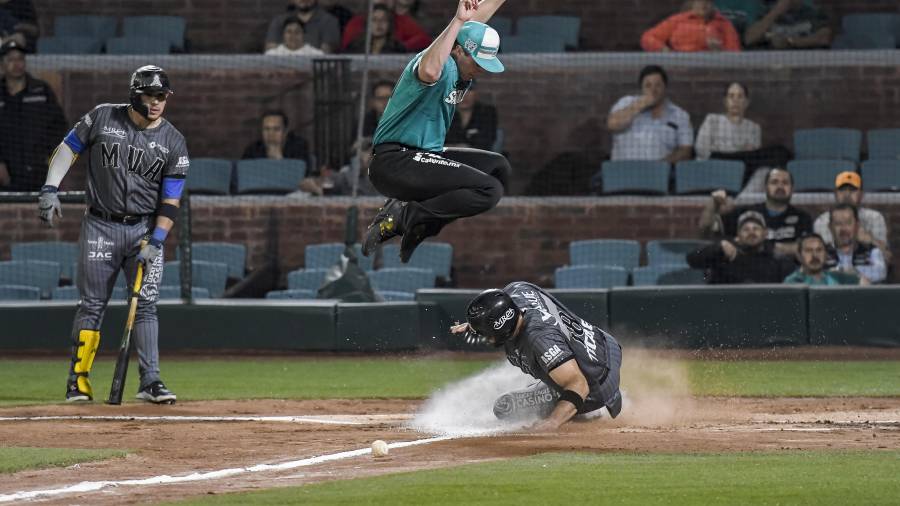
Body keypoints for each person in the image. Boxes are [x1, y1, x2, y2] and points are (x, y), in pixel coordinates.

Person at [38, 65, 188, 404]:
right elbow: (68, 148)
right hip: (100, 226)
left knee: (146, 305)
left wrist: (157, 241)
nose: (156, 103)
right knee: (92, 304)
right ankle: (78, 380)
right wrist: (50, 187)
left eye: (162, 96)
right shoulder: (102, 117)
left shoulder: (174, 141)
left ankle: (150, 381)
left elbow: (171, 200)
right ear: (135, 94)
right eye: (150, 95)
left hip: (145, 230)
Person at [361, 0, 512, 263]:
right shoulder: (437, 65)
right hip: (394, 162)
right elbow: (430, 70)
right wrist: (456, 21)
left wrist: (466, 20)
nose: (479, 69)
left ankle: (420, 226)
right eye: (476, 61)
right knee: (489, 190)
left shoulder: (461, 56)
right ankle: (405, 216)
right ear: (458, 50)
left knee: (498, 167)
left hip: (424, 156)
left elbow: (475, 23)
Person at [449, 282, 624, 430]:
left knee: (505, 407)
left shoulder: (539, 339)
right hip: (605, 344)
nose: (485, 338)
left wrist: (552, 422)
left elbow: (579, 384)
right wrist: (476, 325)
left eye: (486, 332)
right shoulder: (517, 292)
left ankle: (592, 410)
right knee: (556, 369)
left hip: (596, 385)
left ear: (501, 325)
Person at [0, 39, 67, 191]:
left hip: (38, 171)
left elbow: (58, 125)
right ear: (2, 64)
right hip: (6, 175)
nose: (17, 64)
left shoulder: (41, 91)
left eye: (20, 59)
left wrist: (50, 156)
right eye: (11, 59)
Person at [699, 167, 812, 257]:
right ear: (765, 187)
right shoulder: (746, 213)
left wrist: (756, 245)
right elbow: (705, 231)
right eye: (774, 182)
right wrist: (713, 203)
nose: (780, 186)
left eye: (785, 183)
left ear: (792, 189)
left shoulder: (803, 217)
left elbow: (805, 248)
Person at [607, 65, 693, 162]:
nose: (653, 90)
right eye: (648, 85)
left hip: (661, 173)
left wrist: (661, 165)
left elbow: (686, 151)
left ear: (665, 88)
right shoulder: (626, 102)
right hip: (623, 171)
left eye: (658, 85)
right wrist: (640, 104)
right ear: (641, 89)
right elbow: (612, 124)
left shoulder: (680, 115)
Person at [687, 210, 795, 283]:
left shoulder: (778, 260)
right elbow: (692, 260)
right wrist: (717, 248)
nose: (751, 232)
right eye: (746, 229)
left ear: (765, 233)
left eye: (756, 228)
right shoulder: (723, 254)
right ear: (738, 235)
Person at [813, 171, 889, 261]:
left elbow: (887, 257)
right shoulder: (822, 221)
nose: (847, 195)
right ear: (835, 194)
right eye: (842, 190)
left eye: (852, 190)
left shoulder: (874, 217)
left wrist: (869, 239)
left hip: (866, 269)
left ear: (861, 194)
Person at [641, 0, 741, 52]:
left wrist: (720, 52)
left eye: (707, 1)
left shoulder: (724, 24)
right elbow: (647, 38)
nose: (703, 5)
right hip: (680, 67)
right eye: (699, 1)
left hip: (713, 71)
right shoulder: (678, 20)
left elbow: (736, 55)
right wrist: (664, 50)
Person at [694, 82, 760, 160]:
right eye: (731, 96)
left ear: (746, 102)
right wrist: (739, 150)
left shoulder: (753, 128)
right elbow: (701, 149)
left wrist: (717, 148)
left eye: (740, 96)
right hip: (711, 166)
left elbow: (750, 157)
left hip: (738, 169)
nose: (735, 100)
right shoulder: (712, 120)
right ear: (725, 101)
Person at [826, 204, 886, 284]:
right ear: (830, 227)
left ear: (857, 225)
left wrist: (845, 272)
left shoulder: (872, 250)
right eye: (838, 224)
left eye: (848, 223)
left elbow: (881, 272)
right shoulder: (822, 251)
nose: (843, 228)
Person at [342, 0, 432, 53]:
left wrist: (401, 47)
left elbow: (424, 39)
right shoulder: (356, 22)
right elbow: (347, 47)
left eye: (383, 20)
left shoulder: (401, 21)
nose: (379, 23)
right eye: (374, 20)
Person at [742, 0, 832, 49]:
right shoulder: (764, 10)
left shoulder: (811, 12)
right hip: (768, 70)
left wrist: (791, 42)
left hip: (805, 70)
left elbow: (824, 37)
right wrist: (777, 11)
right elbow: (749, 39)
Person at [264, 0, 341, 53]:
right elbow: (270, 54)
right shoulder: (279, 21)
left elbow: (325, 56)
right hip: (282, 72)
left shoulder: (329, 21)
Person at [784, 233, 862, 285]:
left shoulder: (837, 277)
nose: (815, 255)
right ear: (799, 256)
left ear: (826, 254)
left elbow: (863, 283)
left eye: (819, 250)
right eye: (809, 250)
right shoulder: (792, 282)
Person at [241, 110, 310, 168]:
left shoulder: (298, 146)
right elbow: (244, 175)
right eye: (266, 129)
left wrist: (279, 158)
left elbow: (303, 174)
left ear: (285, 131)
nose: (271, 134)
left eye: (276, 129)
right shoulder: (253, 149)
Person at [444, 83, 497, 151]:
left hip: (477, 157)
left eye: (469, 90)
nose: (464, 95)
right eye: (458, 90)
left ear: (476, 93)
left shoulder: (487, 112)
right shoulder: (444, 112)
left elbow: (486, 141)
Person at [344, 4, 408, 54]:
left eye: (384, 19)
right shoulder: (355, 47)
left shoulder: (398, 48)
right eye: (374, 20)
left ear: (389, 24)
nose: (379, 23)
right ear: (367, 23)